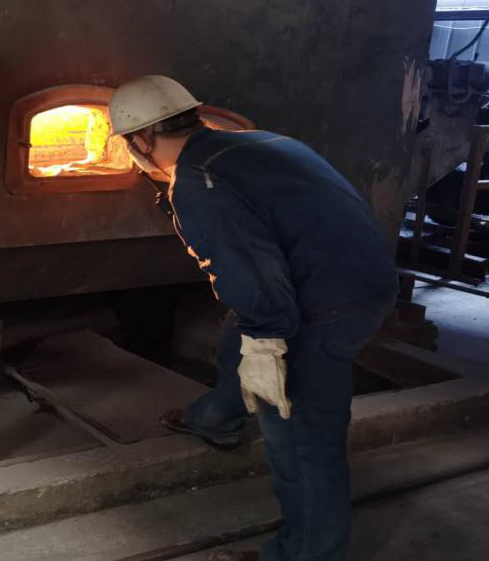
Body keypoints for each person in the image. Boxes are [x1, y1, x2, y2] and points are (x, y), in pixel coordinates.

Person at [108, 75, 398, 561]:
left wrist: (267, 341)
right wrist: (255, 331)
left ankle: (305, 554)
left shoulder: (198, 181)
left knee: (302, 441)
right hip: (366, 278)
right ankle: (216, 418)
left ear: (141, 139)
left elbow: (251, 274)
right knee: (235, 337)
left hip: (327, 306)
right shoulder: (260, 142)